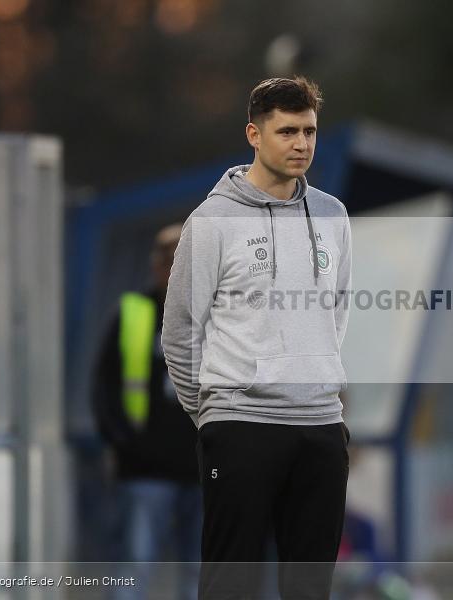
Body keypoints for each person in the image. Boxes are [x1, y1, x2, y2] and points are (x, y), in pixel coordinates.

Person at [162, 76, 352, 600]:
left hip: (320, 426)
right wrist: (211, 409)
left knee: (311, 588)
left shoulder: (334, 216)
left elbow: (335, 310)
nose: (302, 144)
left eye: (310, 132)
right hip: (240, 424)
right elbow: (180, 330)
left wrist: (311, 376)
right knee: (230, 585)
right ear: (254, 134)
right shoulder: (212, 220)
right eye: (287, 131)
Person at [92, 224, 201, 600]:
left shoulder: (225, 318)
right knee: (133, 567)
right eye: (169, 260)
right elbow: (105, 389)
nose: (176, 270)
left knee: (202, 572)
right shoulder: (133, 313)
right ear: (155, 265)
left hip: (208, 473)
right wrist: (124, 444)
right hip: (144, 473)